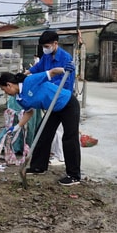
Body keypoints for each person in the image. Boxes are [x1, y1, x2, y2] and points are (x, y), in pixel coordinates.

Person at [0, 63, 81, 186]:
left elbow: (52, 72)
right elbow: (29, 112)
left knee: (69, 138)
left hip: (67, 103)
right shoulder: (19, 98)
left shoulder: (30, 81)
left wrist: (64, 70)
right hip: (53, 109)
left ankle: (74, 176)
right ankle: (38, 167)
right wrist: (17, 127)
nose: (6, 93)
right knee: (42, 134)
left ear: (9, 85)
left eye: (4, 90)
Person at [26, 30, 76, 166]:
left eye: (47, 46)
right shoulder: (46, 57)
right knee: (48, 130)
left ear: (55, 44)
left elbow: (65, 82)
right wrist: (26, 73)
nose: (45, 49)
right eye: (43, 47)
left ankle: (60, 157)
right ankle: (48, 157)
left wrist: (45, 86)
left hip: (62, 98)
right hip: (50, 99)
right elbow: (38, 67)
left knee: (60, 131)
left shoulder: (66, 58)